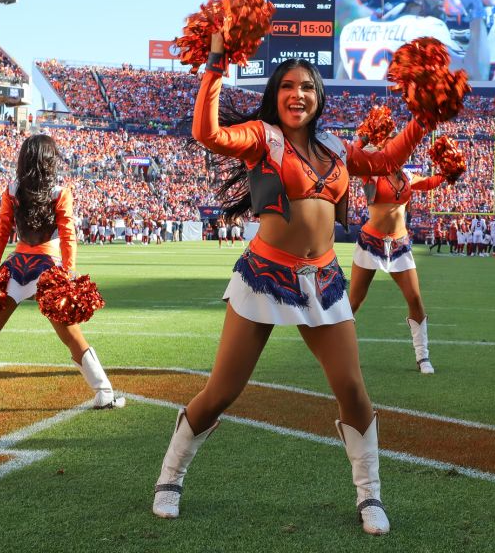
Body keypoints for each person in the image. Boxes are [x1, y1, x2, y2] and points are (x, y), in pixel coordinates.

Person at [151, 30, 428, 535]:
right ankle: (170, 476)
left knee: (353, 391)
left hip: (322, 281)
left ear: (319, 97)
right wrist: (216, 59)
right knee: (222, 392)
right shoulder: (262, 137)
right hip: (264, 277)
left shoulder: (335, 147)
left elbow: (386, 162)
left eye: (306, 87)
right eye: (287, 86)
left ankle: (370, 496)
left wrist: (424, 119)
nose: (297, 94)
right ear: (275, 95)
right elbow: (208, 134)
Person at [0, 134, 123, 410]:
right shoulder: (60, 192)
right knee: (72, 336)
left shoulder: (12, 190)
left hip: (15, 268)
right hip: (48, 271)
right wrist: (69, 271)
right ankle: (104, 392)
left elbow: (1, 231)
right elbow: (68, 234)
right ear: (49, 160)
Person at [348, 153, 449, 374]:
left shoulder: (408, 177)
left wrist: (448, 173)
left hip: (399, 245)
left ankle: (423, 357)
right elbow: (353, 164)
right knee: (354, 302)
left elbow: (429, 182)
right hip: (369, 244)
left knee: (415, 298)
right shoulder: (372, 174)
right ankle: (342, 354)